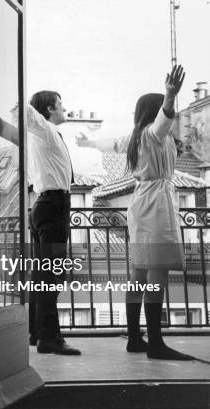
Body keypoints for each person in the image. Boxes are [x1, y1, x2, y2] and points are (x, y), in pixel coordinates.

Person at [0, 90, 80, 355]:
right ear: (48, 109)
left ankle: (37, 334)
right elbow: (23, 113)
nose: (64, 108)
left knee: (42, 275)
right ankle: (50, 338)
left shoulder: (39, 137)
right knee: (53, 276)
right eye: (60, 104)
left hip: (42, 208)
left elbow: (12, 133)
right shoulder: (44, 129)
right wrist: (18, 104)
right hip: (54, 207)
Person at [125, 64, 193, 360]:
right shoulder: (154, 135)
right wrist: (170, 95)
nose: (175, 118)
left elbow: (108, 142)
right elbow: (164, 119)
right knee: (157, 273)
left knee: (139, 273)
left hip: (142, 205)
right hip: (155, 207)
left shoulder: (138, 137)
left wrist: (86, 141)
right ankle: (155, 343)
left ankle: (134, 339)